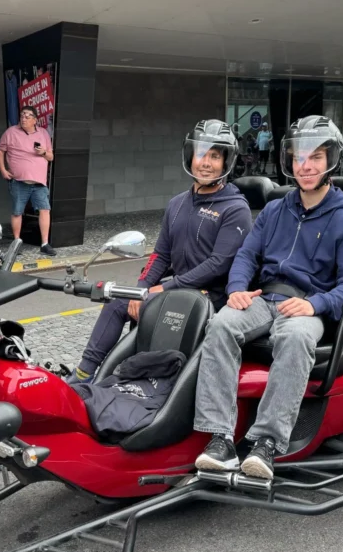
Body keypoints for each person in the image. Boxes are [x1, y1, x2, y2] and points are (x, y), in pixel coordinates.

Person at [193, 115, 343, 480]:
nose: (306, 166)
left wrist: (315, 305)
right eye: (300, 158)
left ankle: (266, 442)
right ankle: (221, 437)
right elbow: (246, 255)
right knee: (221, 323)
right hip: (263, 296)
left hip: (308, 303)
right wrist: (238, 289)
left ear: (332, 160)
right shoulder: (275, 209)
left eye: (316, 158)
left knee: (295, 336)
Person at [70, 119, 253, 381]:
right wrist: (141, 287)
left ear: (226, 162)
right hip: (178, 289)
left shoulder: (235, 208)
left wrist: (164, 288)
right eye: (201, 154)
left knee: (154, 307)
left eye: (215, 156)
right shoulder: (177, 203)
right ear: (190, 156)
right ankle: (84, 374)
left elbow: (218, 264)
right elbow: (161, 254)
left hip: (211, 295)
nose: (206, 162)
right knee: (117, 303)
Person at [0, 105, 56, 256]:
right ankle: (16, 243)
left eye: (28, 116)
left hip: (39, 182)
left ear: (35, 120)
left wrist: (43, 152)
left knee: (45, 210)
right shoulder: (10, 132)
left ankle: (44, 243)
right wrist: (3, 169)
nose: (24, 118)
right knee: (17, 211)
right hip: (19, 181)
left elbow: (51, 157)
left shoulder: (43, 133)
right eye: (22, 115)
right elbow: (0, 151)